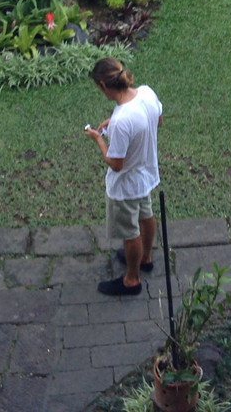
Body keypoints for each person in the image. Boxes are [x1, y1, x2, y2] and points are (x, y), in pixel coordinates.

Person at [84, 57, 163, 296]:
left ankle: (131, 279)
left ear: (103, 86)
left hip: (126, 185)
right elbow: (157, 121)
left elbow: (116, 164)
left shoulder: (121, 120)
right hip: (145, 176)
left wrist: (98, 139)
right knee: (146, 215)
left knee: (130, 233)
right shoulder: (147, 93)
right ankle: (146, 258)